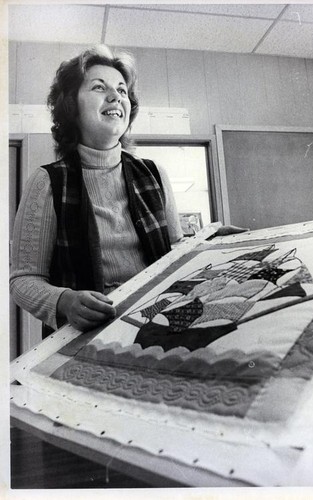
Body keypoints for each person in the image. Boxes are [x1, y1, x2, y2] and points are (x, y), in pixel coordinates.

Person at [10, 45, 183, 336]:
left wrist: (214, 248)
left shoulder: (155, 174)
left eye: (122, 90)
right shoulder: (47, 182)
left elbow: (179, 254)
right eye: (99, 87)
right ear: (71, 106)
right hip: (83, 343)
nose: (116, 96)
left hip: (158, 328)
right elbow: (23, 280)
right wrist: (64, 301)